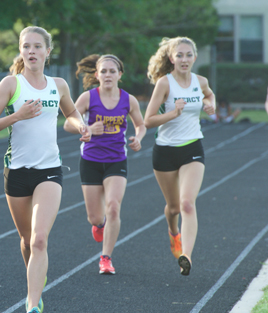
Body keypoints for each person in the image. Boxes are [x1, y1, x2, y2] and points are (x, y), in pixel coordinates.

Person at [0, 26, 90, 313]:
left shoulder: (58, 85)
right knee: (27, 241)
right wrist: (18, 115)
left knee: (40, 238)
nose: (31, 51)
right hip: (16, 172)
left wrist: (79, 125)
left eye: (37, 46)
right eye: (26, 46)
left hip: (49, 170)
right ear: (21, 51)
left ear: (47, 52)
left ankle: (32, 308)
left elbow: (70, 114)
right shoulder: (10, 84)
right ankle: (35, 282)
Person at [64, 54, 146, 275]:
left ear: (120, 74)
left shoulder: (128, 100)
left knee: (113, 206)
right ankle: (99, 225)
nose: (108, 75)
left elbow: (141, 124)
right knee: (95, 217)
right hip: (90, 160)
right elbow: (68, 124)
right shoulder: (88, 98)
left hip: (116, 160)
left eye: (112, 71)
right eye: (104, 71)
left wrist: (138, 138)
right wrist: (86, 129)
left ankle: (106, 258)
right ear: (97, 75)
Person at [144, 37, 215, 276]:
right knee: (173, 207)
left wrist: (210, 104)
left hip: (192, 148)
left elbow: (209, 94)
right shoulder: (165, 84)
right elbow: (149, 120)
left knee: (187, 203)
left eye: (188, 55)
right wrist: (173, 113)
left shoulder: (200, 81)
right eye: (179, 55)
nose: (184, 60)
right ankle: (173, 232)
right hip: (164, 151)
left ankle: (187, 255)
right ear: (171, 58)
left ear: (195, 57)